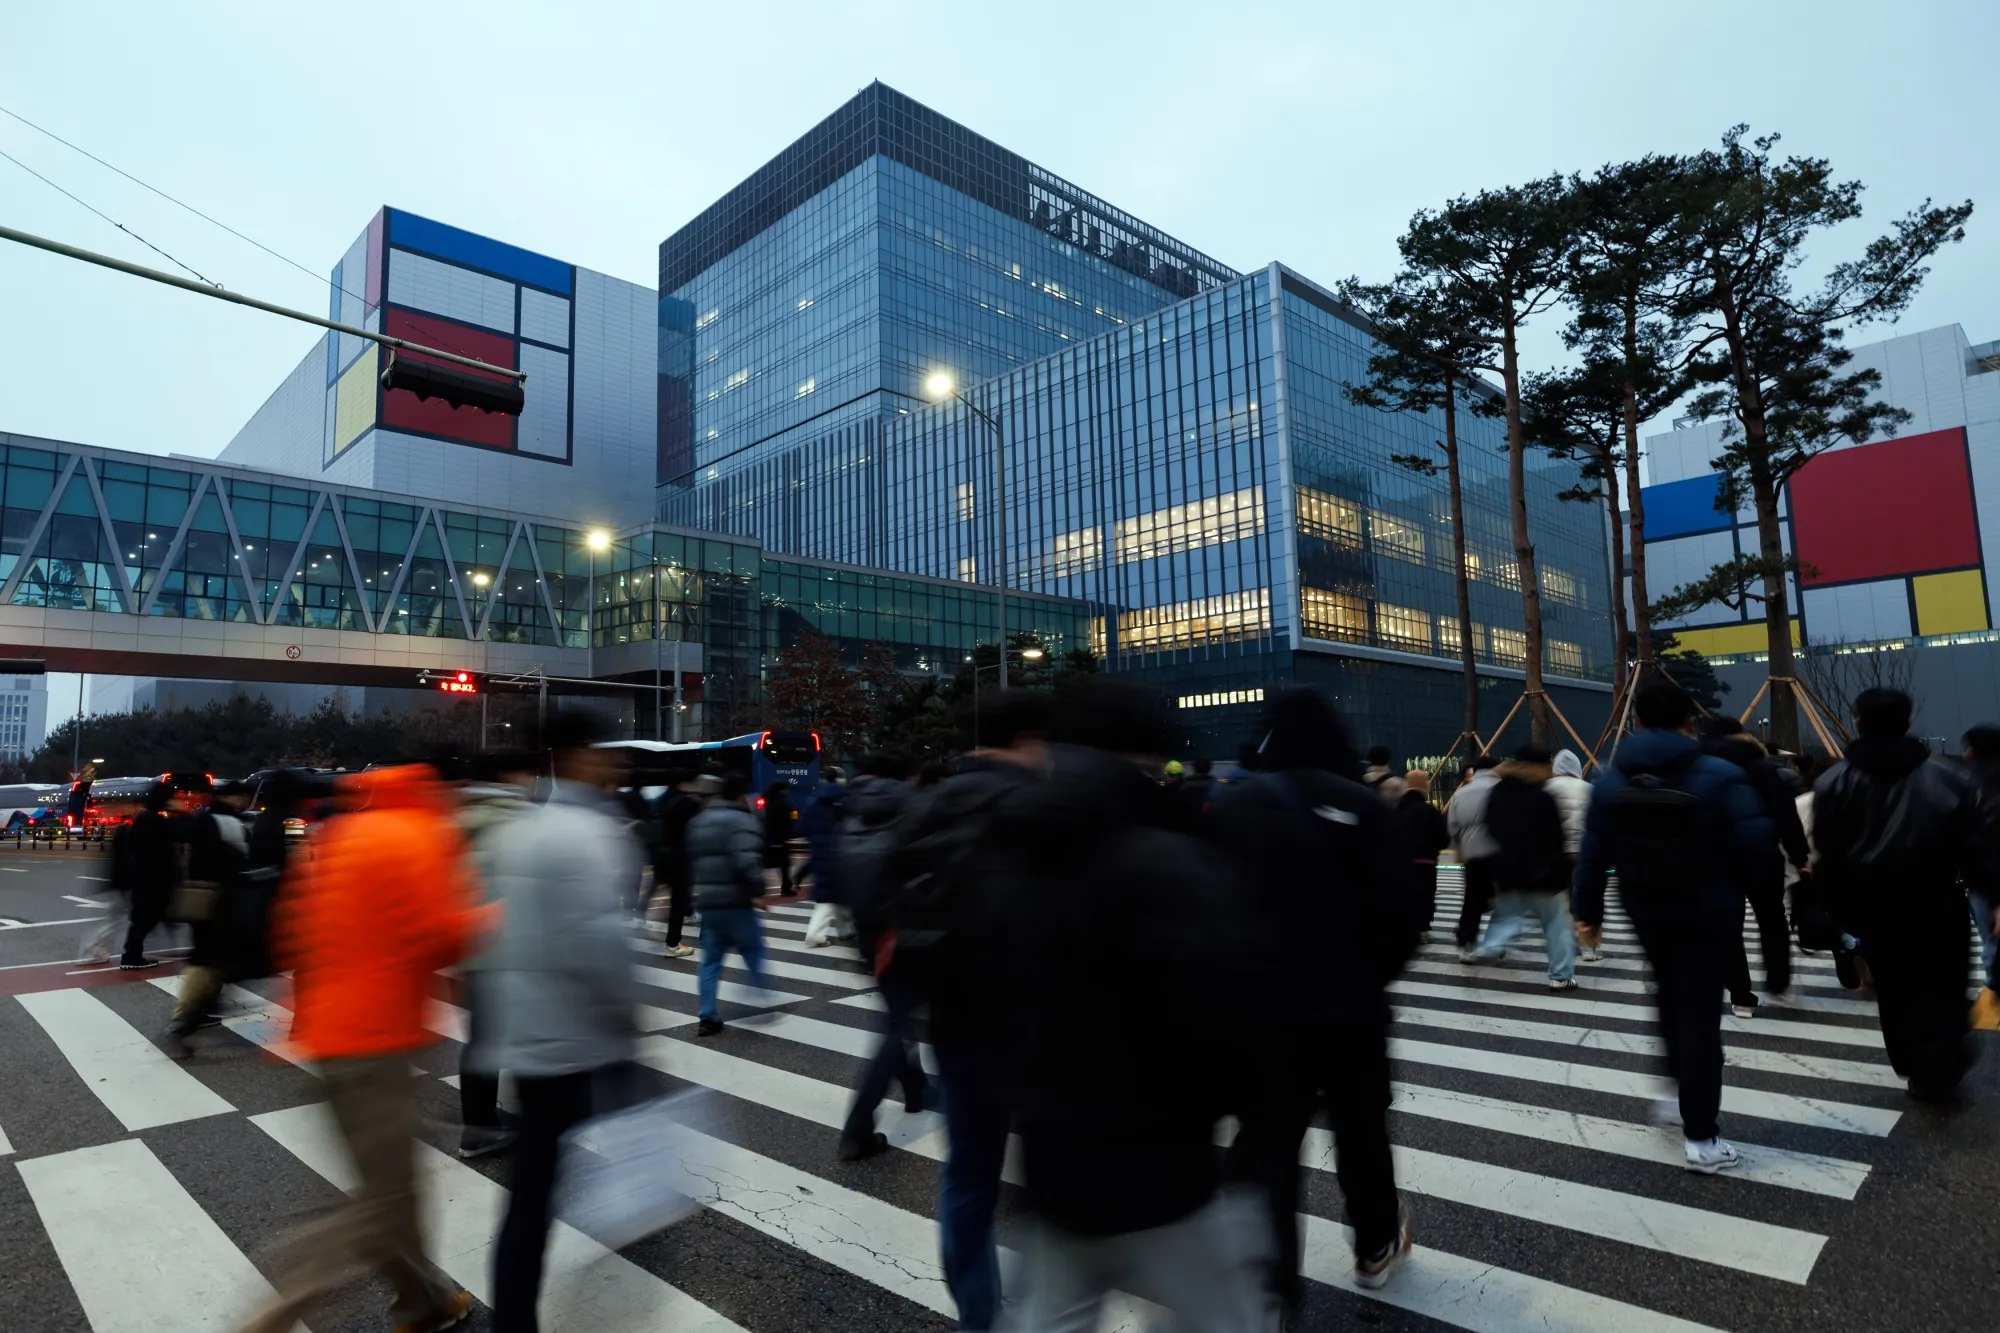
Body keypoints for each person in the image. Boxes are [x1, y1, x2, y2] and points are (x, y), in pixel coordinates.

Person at [1000, 679, 1268, 1330]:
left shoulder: (1020, 844)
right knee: (1222, 1317)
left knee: (1048, 1316)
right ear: (1146, 757)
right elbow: (1226, 1017)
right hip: (1163, 1166)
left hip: (1054, 1162)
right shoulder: (1168, 862)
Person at [241, 760, 486, 1333]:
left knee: (392, 1188)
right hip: (375, 1039)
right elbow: (441, 931)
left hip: (332, 1031)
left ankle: (423, 1301)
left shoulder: (346, 833)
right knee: (382, 1197)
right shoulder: (420, 834)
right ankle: (272, 1316)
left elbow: (294, 927)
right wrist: (496, 914)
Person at [1214, 687, 1420, 1314]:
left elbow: (1210, 909)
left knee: (1267, 1142)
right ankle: (1376, 1244)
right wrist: (1365, 976)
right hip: (1350, 1007)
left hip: (1261, 1011)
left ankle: (1268, 1289)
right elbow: (1402, 916)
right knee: (1361, 1131)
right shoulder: (1364, 805)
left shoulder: (1236, 806)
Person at [885, 690, 1051, 1330]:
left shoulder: (930, 804)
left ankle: (981, 1316)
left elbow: (888, 903)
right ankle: (1049, 1306)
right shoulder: (1042, 806)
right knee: (1053, 1179)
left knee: (970, 1177)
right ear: (1031, 739)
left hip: (956, 1020)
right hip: (1040, 1022)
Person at [474, 716, 643, 1333]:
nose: (614, 766)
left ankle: (513, 1316)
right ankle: (516, 1318)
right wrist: (628, 1014)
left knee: (533, 1186)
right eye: (605, 753)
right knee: (549, 1179)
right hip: (576, 1034)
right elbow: (597, 943)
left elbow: (490, 926)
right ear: (575, 756)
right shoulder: (586, 832)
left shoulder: (520, 828)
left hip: (529, 1029)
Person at [1574, 679, 1769, 1173]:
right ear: (1690, 721)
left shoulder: (1611, 780)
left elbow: (1593, 851)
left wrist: (1587, 911)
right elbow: (1754, 846)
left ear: (1635, 721)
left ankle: (1672, 1091)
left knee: (1665, 990)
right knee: (1701, 1014)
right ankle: (1701, 1137)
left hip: (1644, 906)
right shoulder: (1720, 774)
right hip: (1708, 908)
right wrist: (1764, 905)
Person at [1814, 690, 1996, 1101]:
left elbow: (1829, 855)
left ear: (1858, 722)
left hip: (1874, 907)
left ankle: (1913, 1062)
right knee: (1944, 984)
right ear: (1908, 722)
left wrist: (1838, 909)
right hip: (1939, 901)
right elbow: (1973, 846)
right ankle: (1943, 1062)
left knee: (1895, 991)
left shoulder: (1834, 782)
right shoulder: (1946, 777)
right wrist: (1991, 893)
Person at [836, 753, 932, 1160]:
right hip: (907, 936)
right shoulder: (913, 810)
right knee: (896, 1026)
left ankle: (916, 1088)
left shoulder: (855, 816)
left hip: (869, 935)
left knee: (899, 1016)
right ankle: (857, 1127)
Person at [454, 748, 539, 1160]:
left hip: (475, 949)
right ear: (510, 774)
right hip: (518, 951)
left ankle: (478, 1126)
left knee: (482, 1042)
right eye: (527, 772)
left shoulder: (459, 819)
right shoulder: (517, 819)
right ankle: (529, 1125)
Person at [1701, 715, 1811, 1017]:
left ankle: (1741, 997)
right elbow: (1786, 815)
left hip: (1718, 858)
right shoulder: (1761, 768)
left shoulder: (1700, 768)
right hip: (1762, 854)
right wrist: (1800, 856)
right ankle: (1778, 984)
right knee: (1772, 920)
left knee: (1728, 927)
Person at [1466, 745, 1577, 992]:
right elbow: (1555, 837)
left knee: (1506, 915)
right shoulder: (1542, 796)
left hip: (1507, 870)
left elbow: (1490, 828)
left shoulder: (1498, 793)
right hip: (1544, 873)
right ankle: (1560, 975)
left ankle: (1490, 946)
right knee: (1556, 925)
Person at [159, 781, 251, 1058]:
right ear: (231, 797)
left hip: (201, 897)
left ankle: (193, 1014)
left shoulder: (204, 820)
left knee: (206, 958)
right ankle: (186, 1019)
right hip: (222, 901)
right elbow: (240, 861)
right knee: (213, 962)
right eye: (239, 795)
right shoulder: (230, 823)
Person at [689, 772, 770, 1035]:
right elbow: (746, 860)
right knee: (754, 950)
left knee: (710, 961)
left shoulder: (700, 821)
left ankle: (708, 1016)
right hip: (737, 902)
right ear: (741, 795)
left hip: (709, 902)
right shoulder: (742, 821)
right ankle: (756, 998)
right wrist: (758, 890)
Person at [111, 783, 179, 970]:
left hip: (143, 877)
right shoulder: (154, 821)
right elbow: (164, 850)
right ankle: (131, 956)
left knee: (143, 918)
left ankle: (132, 954)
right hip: (151, 879)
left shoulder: (145, 818)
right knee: (145, 918)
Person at [1962, 725, 2000, 1028]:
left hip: (1984, 883)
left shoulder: (1975, 786)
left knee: (1992, 943)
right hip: (1984, 882)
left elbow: (1985, 843)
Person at [1447, 753, 1500, 958]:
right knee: (1502, 898)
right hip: (1497, 850)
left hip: (1471, 852)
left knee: (1472, 899)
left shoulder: (1461, 793)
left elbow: (1452, 826)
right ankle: (1497, 942)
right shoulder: (1499, 789)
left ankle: (1466, 943)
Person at [797, 766, 852, 948]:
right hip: (844, 854)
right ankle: (816, 935)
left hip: (820, 854)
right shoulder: (846, 801)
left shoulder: (813, 803)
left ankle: (847, 930)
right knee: (830, 899)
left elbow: (801, 828)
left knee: (835, 896)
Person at [653, 770, 706, 959]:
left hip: (663, 859)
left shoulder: (663, 800)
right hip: (681, 860)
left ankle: (678, 935)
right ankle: (673, 944)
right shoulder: (686, 803)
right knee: (679, 902)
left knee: (679, 901)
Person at [1392, 770, 1449, 942]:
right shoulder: (1430, 811)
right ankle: (1422, 929)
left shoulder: (1396, 811)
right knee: (1425, 896)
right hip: (1426, 862)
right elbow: (1443, 839)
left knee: (1404, 894)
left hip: (1401, 862)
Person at [762, 780, 796, 895]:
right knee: (784, 864)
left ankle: (785, 887)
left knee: (768, 863)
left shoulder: (769, 801)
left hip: (769, 836)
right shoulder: (783, 803)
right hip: (780, 838)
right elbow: (788, 820)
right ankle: (786, 888)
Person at [1175, 756, 1219, 830]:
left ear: (1194, 768)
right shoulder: (1216, 786)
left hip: (1188, 826)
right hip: (1210, 826)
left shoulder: (1184, 786)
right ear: (1210, 768)